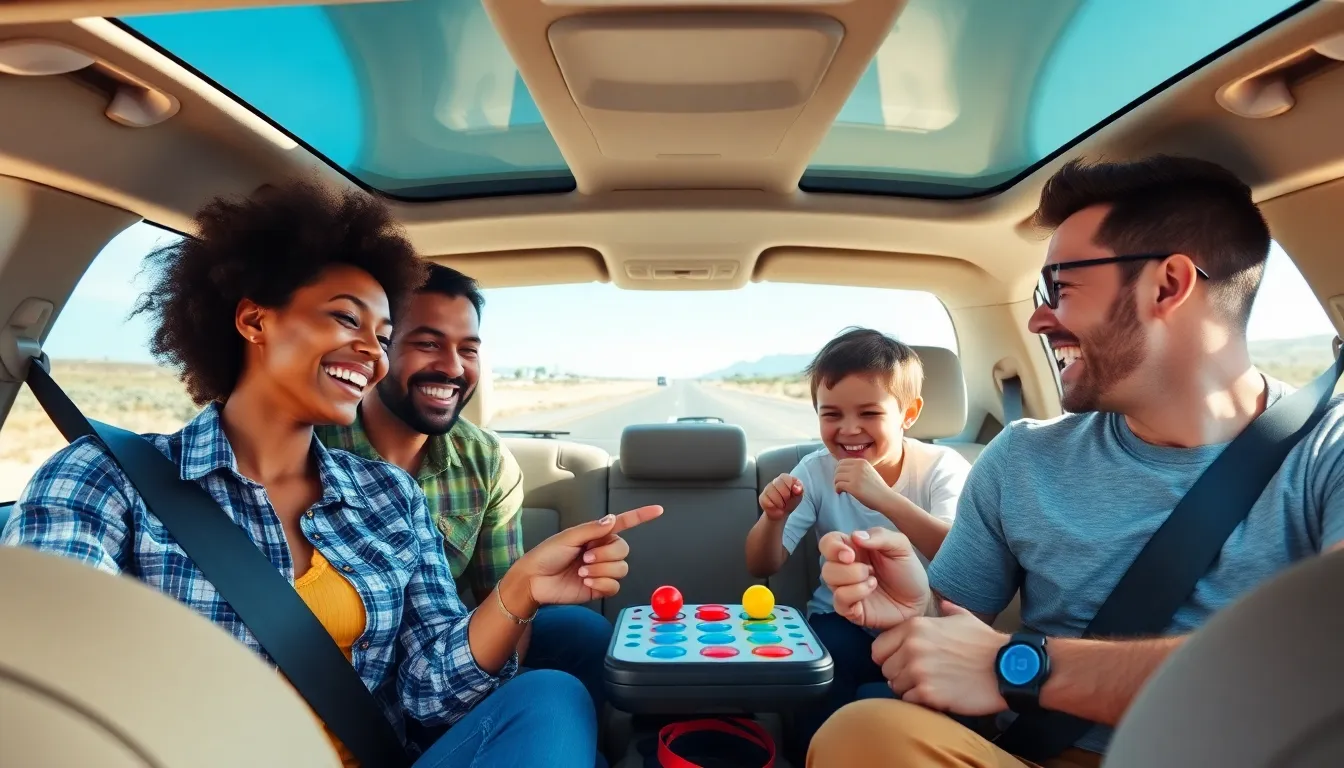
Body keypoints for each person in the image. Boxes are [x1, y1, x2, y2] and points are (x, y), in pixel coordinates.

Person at [0, 180, 662, 768]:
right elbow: (46, 683)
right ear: (254, 319)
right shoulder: (103, 480)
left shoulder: (387, 497)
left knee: (550, 695)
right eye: (346, 318)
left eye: (381, 334)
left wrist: (518, 593)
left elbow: (430, 695)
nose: (370, 353)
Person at [804, 155, 1344, 768]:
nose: (1039, 317)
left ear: (1167, 285)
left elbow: (1326, 663)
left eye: (1059, 287)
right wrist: (915, 614)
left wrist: (1024, 665)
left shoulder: (1328, 449)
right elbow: (957, 651)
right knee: (865, 732)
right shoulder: (1023, 458)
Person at [314, 264, 616, 722]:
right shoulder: (312, 446)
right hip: (343, 667)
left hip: (451, 656)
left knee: (581, 634)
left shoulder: (485, 461)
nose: (453, 368)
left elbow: (506, 602)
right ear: (378, 348)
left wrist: (497, 711)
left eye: (468, 350)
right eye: (428, 343)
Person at [741, 327, 971, 752]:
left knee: (909, 706)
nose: (849, 430)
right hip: (841, 620)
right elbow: (761, 565)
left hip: (921, 624)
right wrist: (773, 519)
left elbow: (960, 555)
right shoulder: (814, 470)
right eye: (831, 415)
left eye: (869, 414)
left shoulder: (941, 467)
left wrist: (884, 498)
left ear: (908, 413)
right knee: (818, 672)